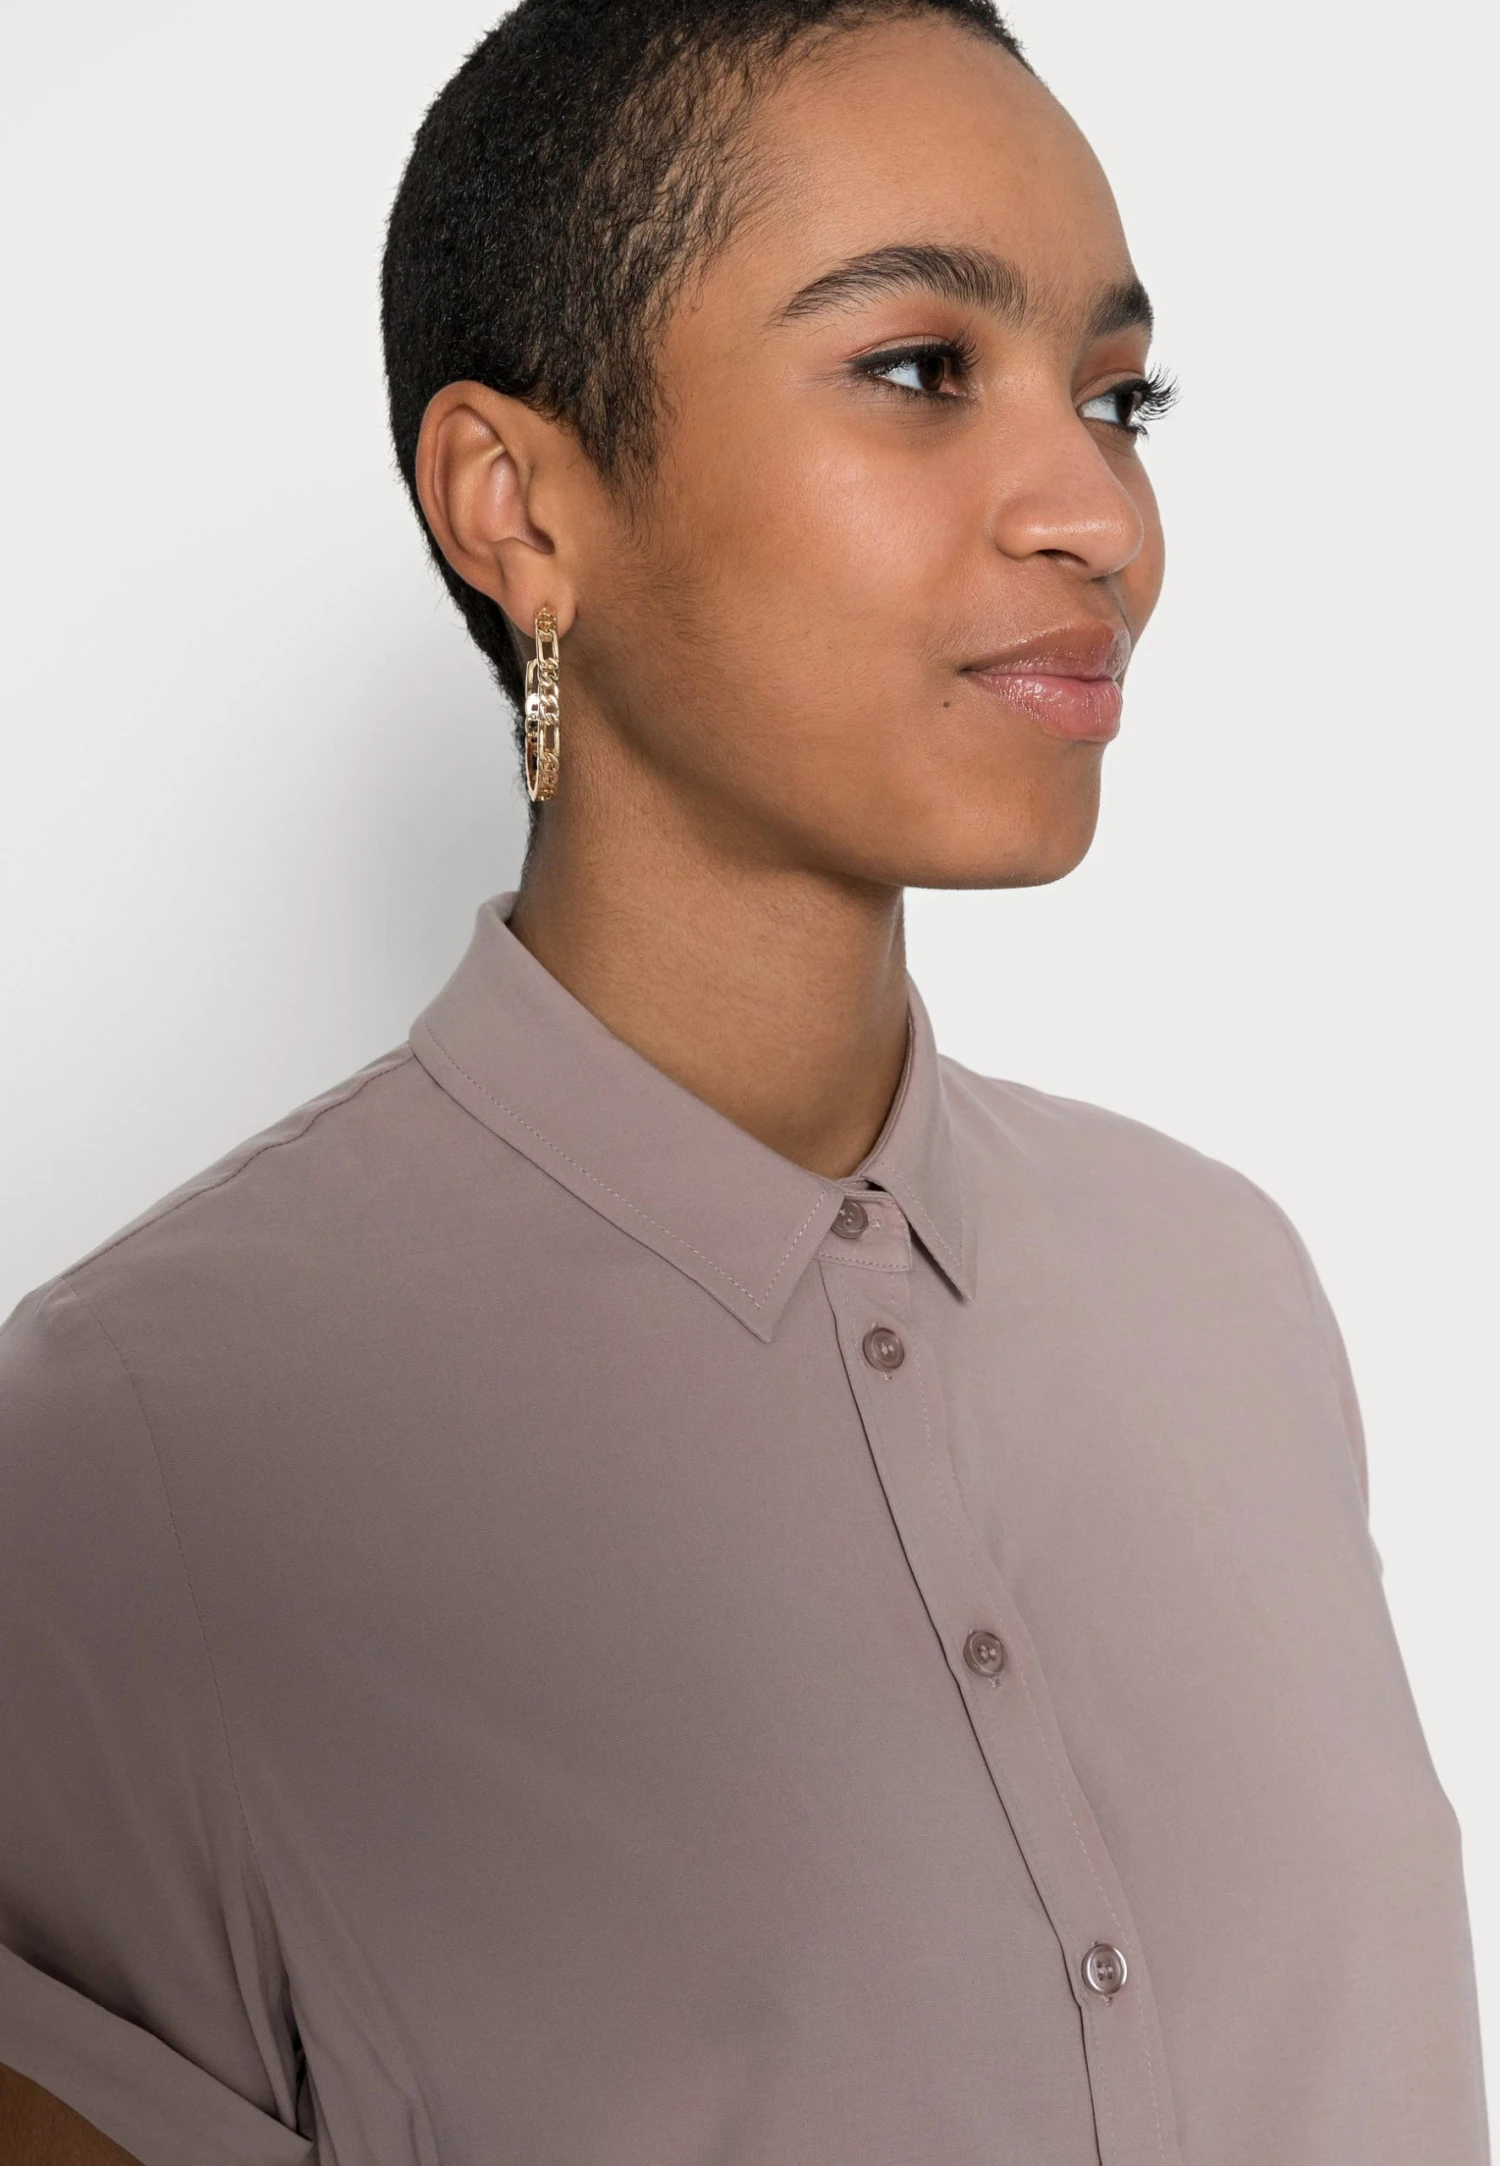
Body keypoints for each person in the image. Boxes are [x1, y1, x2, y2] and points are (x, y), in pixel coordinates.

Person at [0, 1, 1489, 2160]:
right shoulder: (133, 1459)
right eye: (920, 370)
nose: (1100, 513)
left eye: (1117, 395)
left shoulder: (1220, 1283)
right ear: (517, 504)